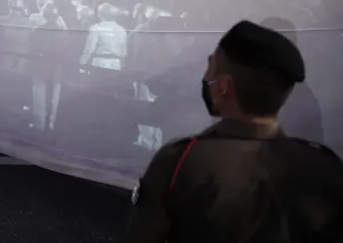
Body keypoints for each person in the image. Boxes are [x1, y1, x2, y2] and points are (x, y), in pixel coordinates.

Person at [125, 20, 343, 243]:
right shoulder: (326, 167)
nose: (205, 76)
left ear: (224, 86)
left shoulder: (180, 162)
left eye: (211, 67)